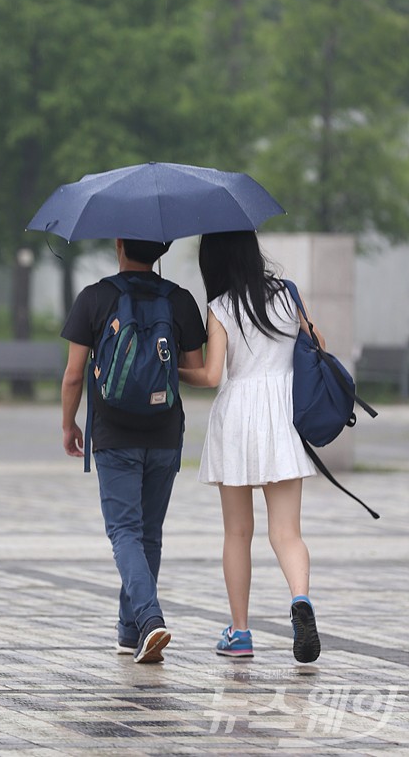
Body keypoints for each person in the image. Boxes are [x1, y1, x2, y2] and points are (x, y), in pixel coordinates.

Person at [179, 231, 323, 664]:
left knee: (237, 533)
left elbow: (210, 376)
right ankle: (301, 600)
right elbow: (318, 346)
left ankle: (240, 633)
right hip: (283, 417)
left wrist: (175, 371)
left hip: (238, 419)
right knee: (287, 532)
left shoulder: (221, 307)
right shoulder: (287, 295)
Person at [61, 238, 206, 663]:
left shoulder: (95, 297)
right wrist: (157, 369)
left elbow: (73, 376)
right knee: (149, 535)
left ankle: (148, 619)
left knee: (124, 532)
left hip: (113, 432)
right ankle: (130, 634)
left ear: (119, 244)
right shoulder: (179, 300)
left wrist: (69, 423)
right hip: (164, 432)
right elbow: (197, 372)